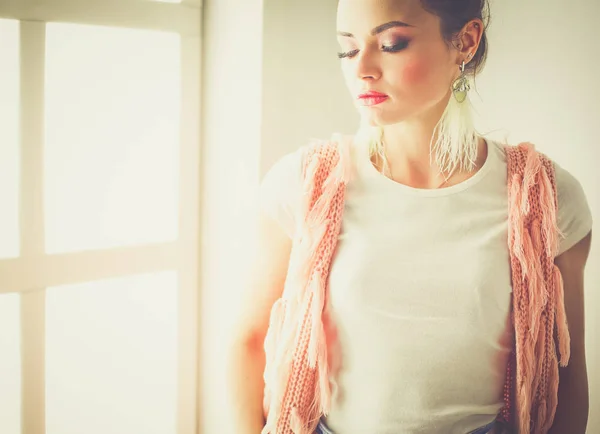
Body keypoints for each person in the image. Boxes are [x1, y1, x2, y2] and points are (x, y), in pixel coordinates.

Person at [228, 1, 593, 433]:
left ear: (466, 41)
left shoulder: (545, 199)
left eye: (391, 43)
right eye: (347, 49)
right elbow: (250, 343)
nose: (362, 68)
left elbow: (566, 369)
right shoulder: (305, 185)